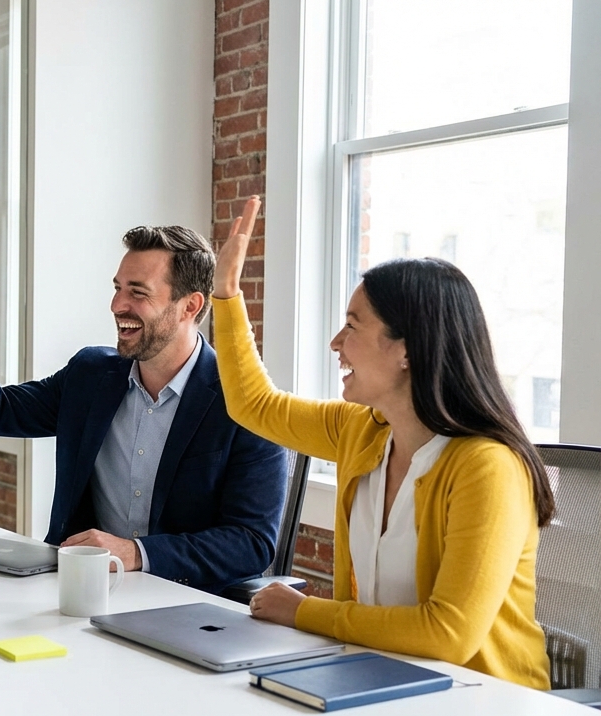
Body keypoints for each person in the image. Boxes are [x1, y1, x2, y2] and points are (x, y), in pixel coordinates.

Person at [213, 196, 552, 689]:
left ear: (407, 350)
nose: (335, 343)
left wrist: (305, 611)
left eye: (352, 326)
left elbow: (448, 634)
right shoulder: (363, 430)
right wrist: (226, 294)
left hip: (483, 706)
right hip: (381, 680)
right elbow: (254, 406)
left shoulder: (487, 467)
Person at [0, 225, 288, 592]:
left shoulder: (247, 403)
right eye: (117, 288)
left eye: (137, 292)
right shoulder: (91, 376)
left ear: (189, 306)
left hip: (186, 605)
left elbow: (250, 544)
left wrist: (136, 553)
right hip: (81, 592)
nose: (118, 305)